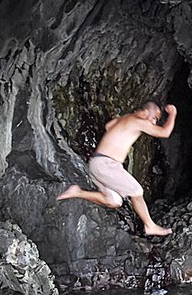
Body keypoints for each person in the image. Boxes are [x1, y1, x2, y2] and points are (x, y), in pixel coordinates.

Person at [56, 101, 177, 236]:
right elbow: (165, 133)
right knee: (136, 191)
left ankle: (78, 192)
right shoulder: (138, 121)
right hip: (106, 164)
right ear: (146, 112)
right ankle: (150, 225)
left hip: (97, 164)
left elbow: (109, 126)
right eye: (155, 118)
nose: (154, 123)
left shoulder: (126, 119)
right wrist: (172, 114)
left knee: (114, 201)